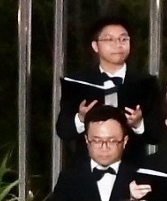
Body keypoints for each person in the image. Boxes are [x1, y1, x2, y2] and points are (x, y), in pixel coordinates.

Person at [57, 13, 156, 150]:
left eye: (123, 39)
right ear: (95, 46)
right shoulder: (77, 83)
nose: (118, 44)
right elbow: (63, 131)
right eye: (109, 39)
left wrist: (138, 124)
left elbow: (157, 136)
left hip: (132, 161)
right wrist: (81, 118)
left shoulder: (146, 83)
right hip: (88, 161)